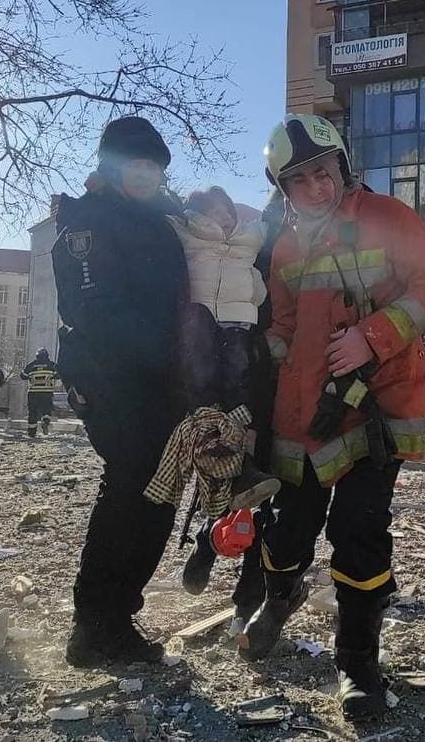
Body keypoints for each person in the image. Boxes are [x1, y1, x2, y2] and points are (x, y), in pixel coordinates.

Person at [237, 115, 425, 723]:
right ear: (283, 189)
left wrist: (373, 335)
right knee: (285, 530)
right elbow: (284, 326)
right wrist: (251, 357)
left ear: (343, 165)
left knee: (359, 534)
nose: (316, 185)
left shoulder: (389, 217)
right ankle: (280, 597)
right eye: (300, 178)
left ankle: (357, 661)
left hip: (376, 407)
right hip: (303, 413)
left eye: (323, 170)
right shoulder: (284, 244)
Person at [53, 115, 196, 667]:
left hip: (161, 378)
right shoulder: (87, 219)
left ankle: (118, 613)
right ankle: (94, 623)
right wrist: (166, 350)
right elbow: (90, 306)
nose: (147, 174)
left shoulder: (161, 220)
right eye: (136, 164)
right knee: (130, 482)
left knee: (160, 490)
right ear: (112, 166)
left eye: (154, 166)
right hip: (111, 375)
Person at [172, 186, 280, 596]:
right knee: (227, 457)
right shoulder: (258, 234)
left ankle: (250, 593)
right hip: (247, 360)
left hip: (264, 357)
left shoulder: (256, 242)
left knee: (262, 477)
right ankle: (206, 541)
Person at [21, 348, 60, 438]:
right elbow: (59, 374)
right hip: (47, 392)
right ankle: (45, 421)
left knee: (32, 412)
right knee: (46, 409)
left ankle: (32, 433)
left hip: (33, 393)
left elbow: (23, 376)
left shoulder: (31, 365)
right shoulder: (52, 365)